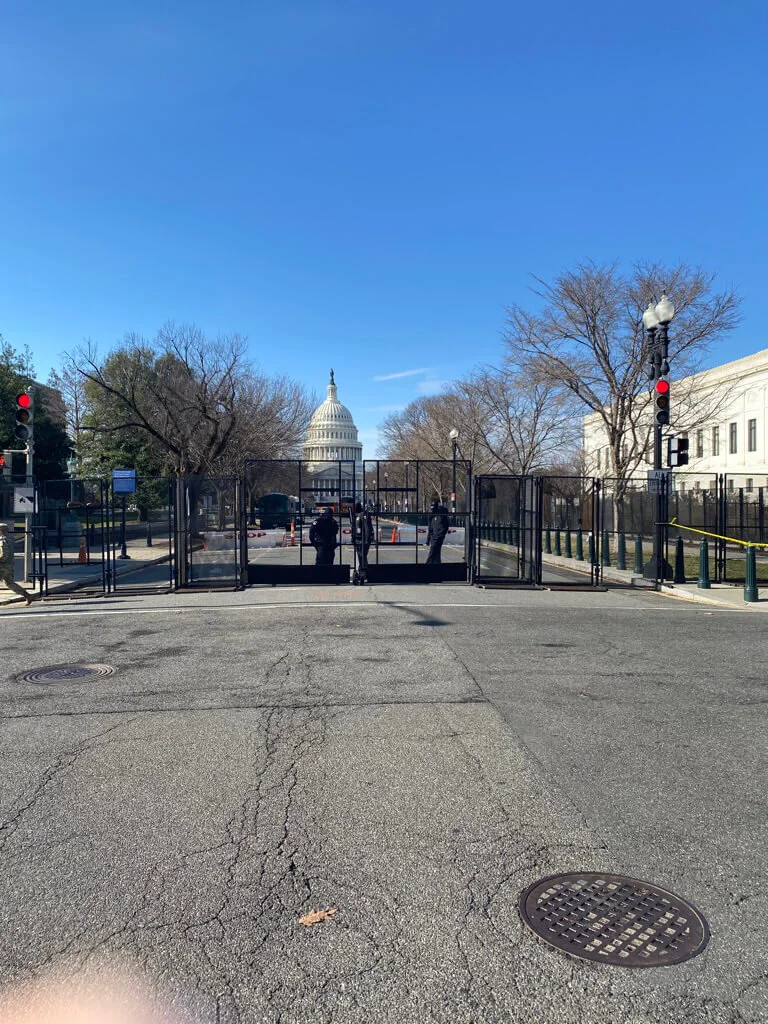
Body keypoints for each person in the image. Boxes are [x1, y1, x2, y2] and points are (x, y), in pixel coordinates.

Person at [0, 523, 31, 605]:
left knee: (9, 583)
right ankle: (27, 595)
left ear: (1, 531)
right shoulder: (9, 539)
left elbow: (4, 555)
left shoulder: (3, 540)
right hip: (9, 565)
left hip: (2, 566)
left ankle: (27, 596)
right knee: (10, 583)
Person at [352, 501, 374, 577]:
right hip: (358, 539)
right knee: (361, 555)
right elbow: (354, 528)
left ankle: (363, 571)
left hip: (362, 539)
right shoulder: (357, 516)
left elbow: (366, 528)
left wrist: (366, 540)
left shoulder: (363, 515)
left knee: (362, 555)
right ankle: (363, 570)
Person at [425, 500, 449, 564]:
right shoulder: (431, 516)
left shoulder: (441, 515)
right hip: (434, 536)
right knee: (437, 552)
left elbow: (445, 525)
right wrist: (428, 539)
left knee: (432, 551)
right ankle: (437, 564)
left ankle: (428, 564)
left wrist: (441, 534)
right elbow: (430, 528)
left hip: (439, 536)